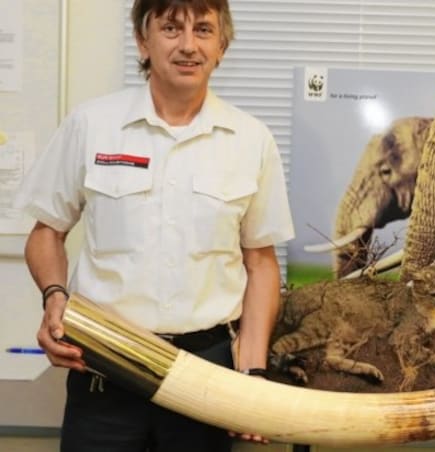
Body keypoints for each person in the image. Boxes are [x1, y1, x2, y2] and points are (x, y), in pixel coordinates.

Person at [15, 0, 294, 450]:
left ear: (222, 45)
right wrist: (54, 297)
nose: (188, 45)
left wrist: (253, 371)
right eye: (170, 28)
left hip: (206, 371)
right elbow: (47, 232)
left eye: (203, 30)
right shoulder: (92, 124)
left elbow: (260, 262)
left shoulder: (251, 140)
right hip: (103, 365)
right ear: (143, 42)